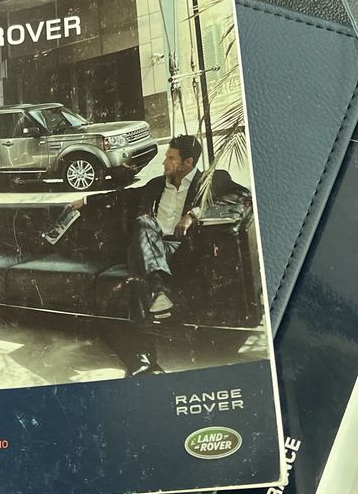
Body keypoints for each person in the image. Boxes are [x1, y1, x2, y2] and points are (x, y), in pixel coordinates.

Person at [74, 134, 250, 375]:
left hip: (181, 251)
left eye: (170, 158)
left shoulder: (211, 180)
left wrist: (193, 214)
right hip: (150, 247)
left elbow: (242, 195)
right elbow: (124, 196)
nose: (164, 162)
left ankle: (142, 360)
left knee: (139, 275)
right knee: (144, 226)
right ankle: (156, 294)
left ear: (187, 162)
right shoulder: (157, 184)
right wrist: (85, 199)